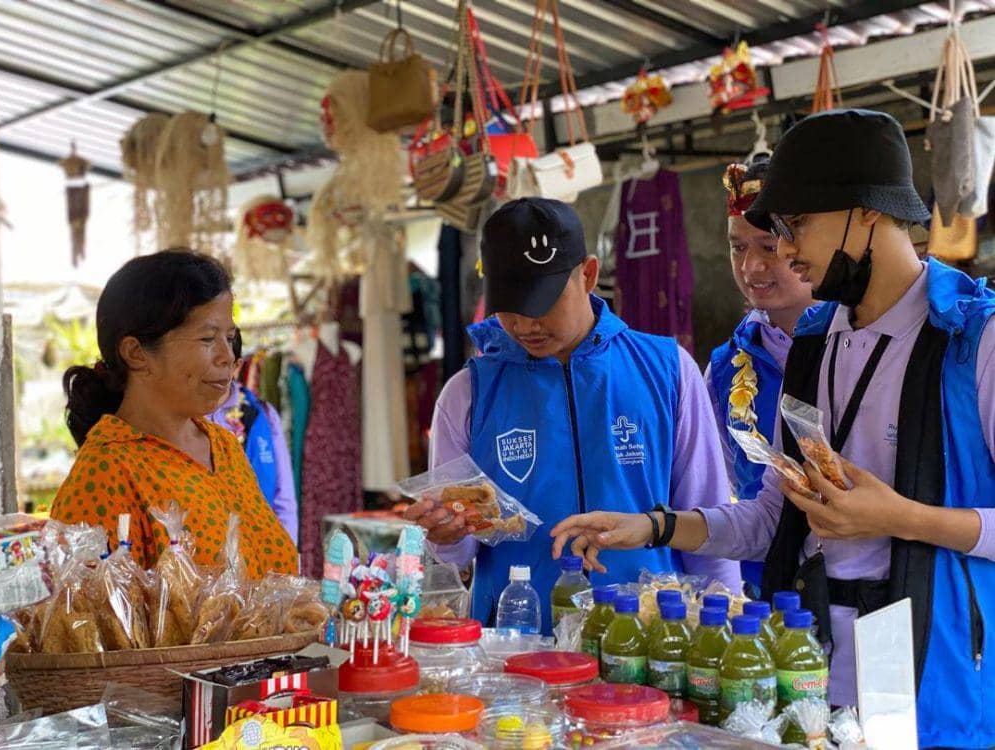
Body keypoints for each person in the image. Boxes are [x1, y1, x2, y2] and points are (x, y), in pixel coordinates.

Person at [550, 109, 995, 747]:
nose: (782, 252)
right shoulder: (814, 344)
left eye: (795, 227)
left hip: (939, 684)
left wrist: (899, 516)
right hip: (808, 677)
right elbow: (771, 520)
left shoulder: (973, 339)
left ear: (866, 211)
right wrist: (652, 526)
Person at [405, 197, 741, 634]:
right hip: (516, 645)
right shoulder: (467, 393)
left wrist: (727, 623)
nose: (526, 325)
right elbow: (460, 553)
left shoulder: (668, 370)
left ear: (588, 274)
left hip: (650, 639)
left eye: (543, 302)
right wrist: (446, 535)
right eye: (510, 307)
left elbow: (709, 521)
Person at [52, 250, 298, 579]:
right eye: (208, 338)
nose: (228, 356)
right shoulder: (105, 473)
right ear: (136, 353)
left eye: (230, 338)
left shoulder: (223, 446)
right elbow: (90, 621)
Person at [704, 157, 815, 595]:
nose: (750, 268)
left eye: (768, 247)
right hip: (759, 593)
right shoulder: (722, 366)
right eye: (737, 247)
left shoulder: (862, 345)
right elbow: (721, 489)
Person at [207, 330, 298, 545]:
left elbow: (283, 499)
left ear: (237, 367)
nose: (210, 372)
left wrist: (287, 555)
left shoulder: (262, 415)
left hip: (259, 547)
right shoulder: (184, 418)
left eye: (221, 364)